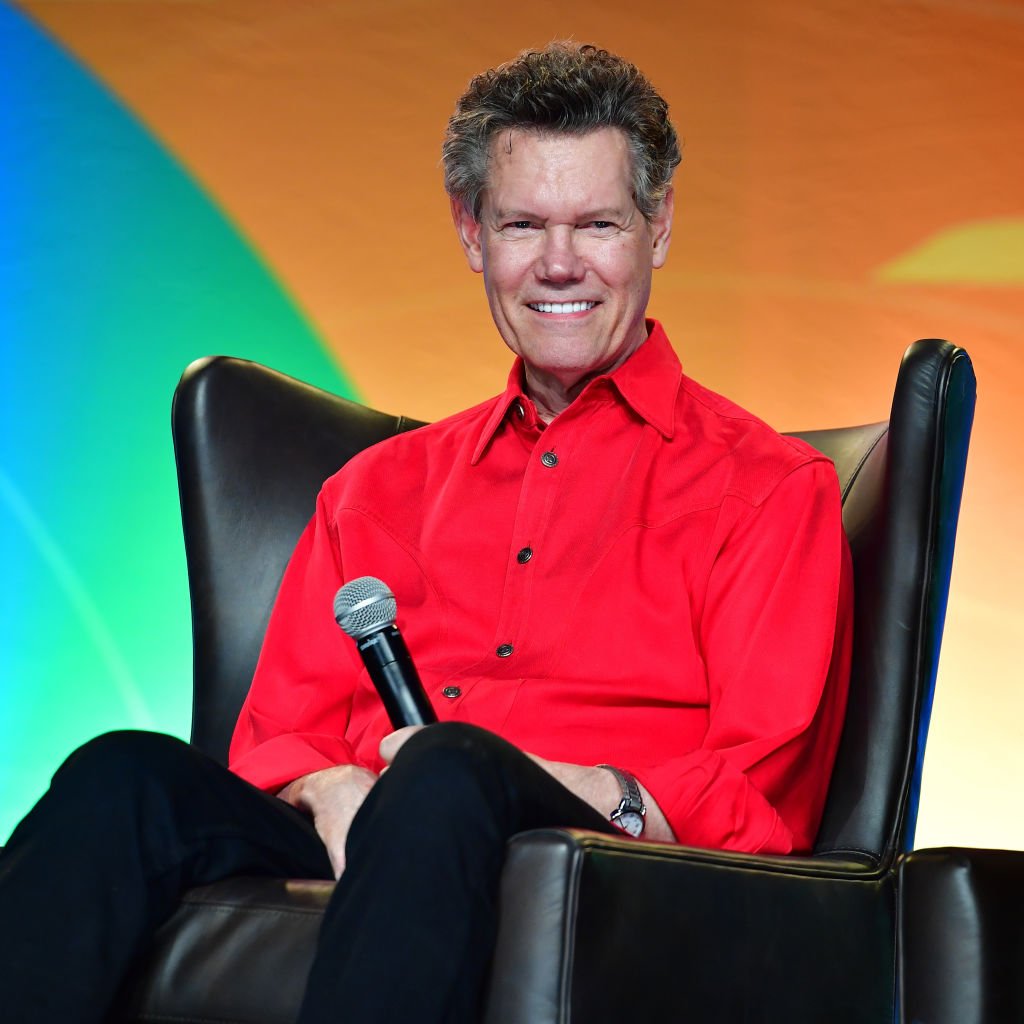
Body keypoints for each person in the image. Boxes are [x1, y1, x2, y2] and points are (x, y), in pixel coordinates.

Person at [0, 42, 852, 1024]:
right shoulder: (374, 489)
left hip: (600, 857)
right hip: (375, 824)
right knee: (126, 777)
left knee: (450, 764)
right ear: (470, 233)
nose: (560, 263)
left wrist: (565, 782)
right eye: (523, 224)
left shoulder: (769, 487)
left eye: (599, 224)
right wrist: (334, 792)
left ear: (656, 229)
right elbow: (278, 734)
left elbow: (757, 787)